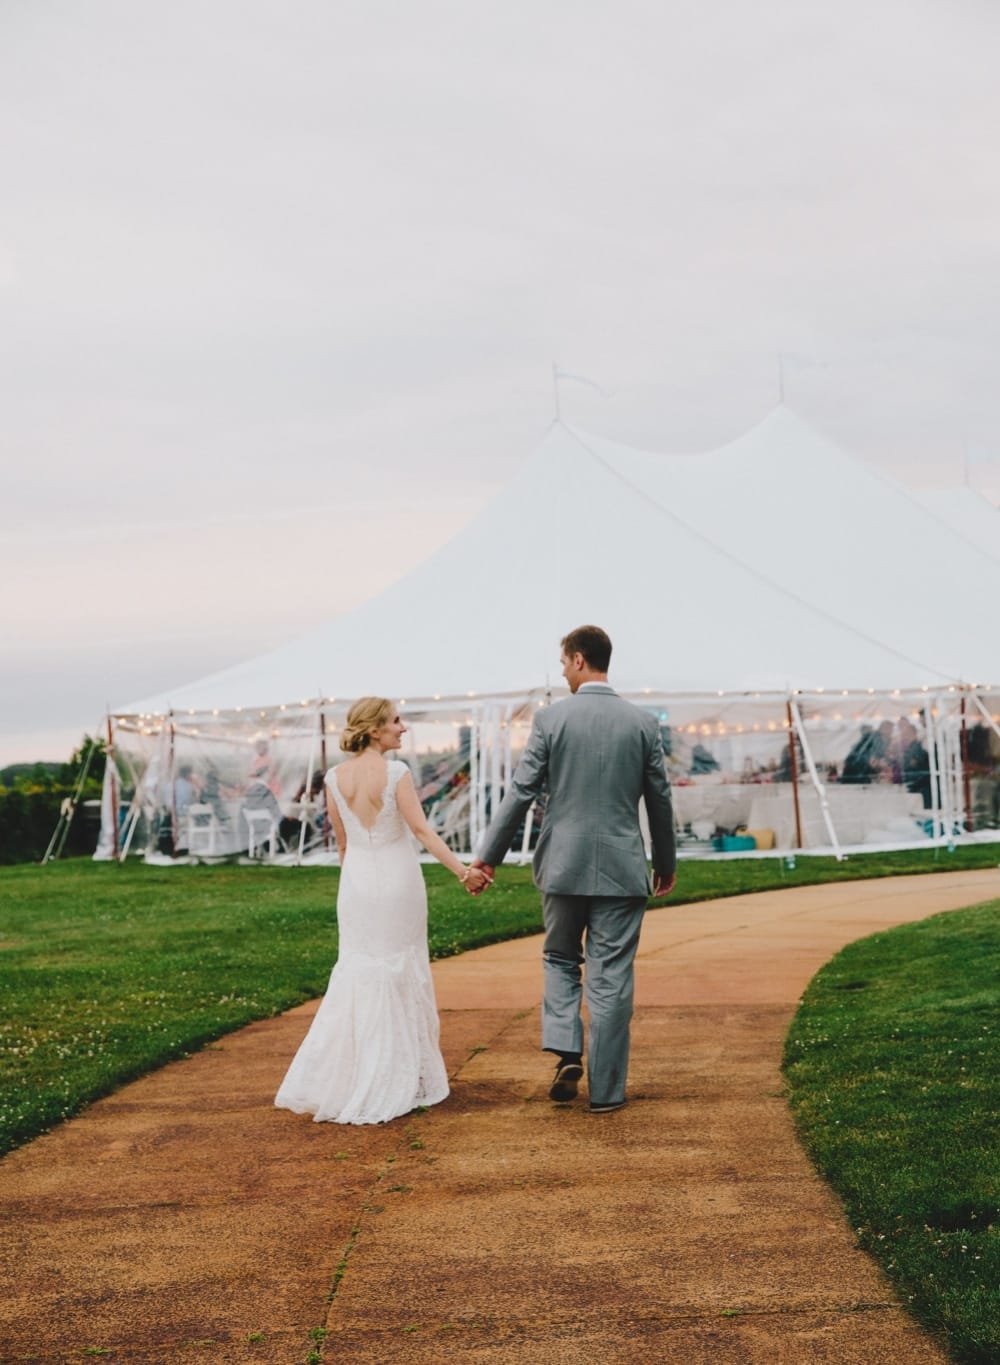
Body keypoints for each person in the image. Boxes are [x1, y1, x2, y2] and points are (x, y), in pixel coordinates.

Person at [471, 626, 676, 1115]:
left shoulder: (550, 720)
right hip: (624, 869)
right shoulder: (643, 724)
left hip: (563, 864)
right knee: (611, 977)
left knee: (561, 958)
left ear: (580, 660)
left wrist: (488, 856)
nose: (563, 671)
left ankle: (566, 1049)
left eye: (564, 663)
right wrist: (664, 864)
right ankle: (607, 1093)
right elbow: (660, 800)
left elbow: (521, 792)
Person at [275, 697, 488, 1125]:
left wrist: (353, 887)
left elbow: (343, 844)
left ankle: (356, 1076)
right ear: (375, 730)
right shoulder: (396, 773)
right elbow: (422, 831)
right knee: (400, 968)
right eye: (395, 722)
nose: (403, 728)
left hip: (355, 886)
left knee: (360, 970)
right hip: (397, 882)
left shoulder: (334, 778)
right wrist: (463, 872)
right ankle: (395, 1078)